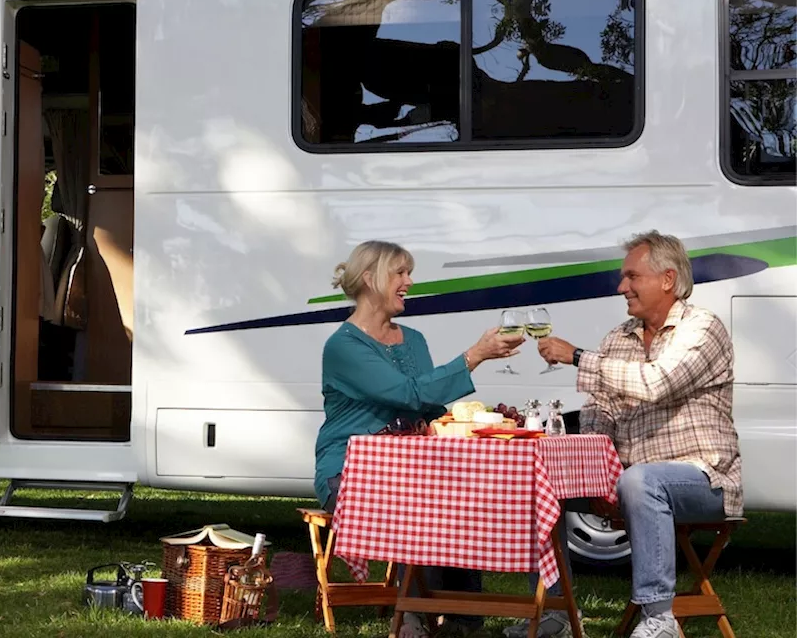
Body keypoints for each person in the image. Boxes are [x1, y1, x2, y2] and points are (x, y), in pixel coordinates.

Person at [512, 231, 741, 638]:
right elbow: (602, 412)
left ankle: (659, 618)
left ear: (668, 279)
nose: (622, 287)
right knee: (537, 480)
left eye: (632, 277)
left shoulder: (703, 328)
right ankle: (553, 612)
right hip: (630, 479)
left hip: (703, 477)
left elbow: (658, 382)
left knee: (641, 479)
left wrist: (577, 356)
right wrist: (590, 465)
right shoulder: (619, 338)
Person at [314, 240, 525, 638]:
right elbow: (408, 394)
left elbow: (428, 409)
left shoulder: (413, 339)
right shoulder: (342, 347)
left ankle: (461, 618)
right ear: (369, 280)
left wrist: (483, 419)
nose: (409, 282)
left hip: (412, 470)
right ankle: (416, 616)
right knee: (422, 499)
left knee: (464, 494)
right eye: (400, 273)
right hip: (348, 471)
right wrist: (472, 356)